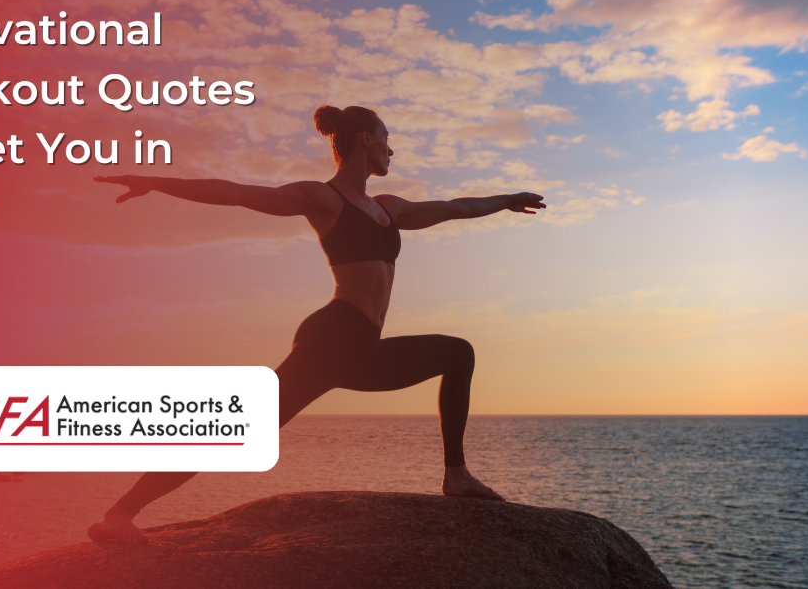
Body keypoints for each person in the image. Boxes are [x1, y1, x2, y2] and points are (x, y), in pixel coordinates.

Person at [88, 105, 546, 544]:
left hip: (365, 349)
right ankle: (119, 514)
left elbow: (453, 207)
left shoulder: (390, 208)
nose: (392, 150)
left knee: (457, 352)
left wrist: (507, 200)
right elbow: (236, 192)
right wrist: (153, 181)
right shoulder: (322, 198)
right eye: (388, 140)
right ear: (365, 140)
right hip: (332, 340)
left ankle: (456, 476)